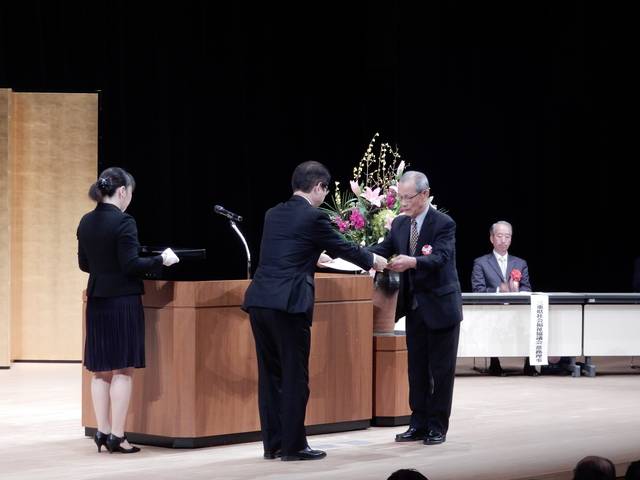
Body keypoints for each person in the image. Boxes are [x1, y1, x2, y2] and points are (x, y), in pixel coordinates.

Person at [242, 161, 387, 461]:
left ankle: (274, 445)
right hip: (289, 305)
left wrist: (311, 256)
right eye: (326, 189)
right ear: (319, 187)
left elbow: (286, 250)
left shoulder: (273, 213)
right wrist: (374, 260)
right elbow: (344, 248)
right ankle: (294, 447)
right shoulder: (314, 216)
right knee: (295, 376)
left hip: (260, 302)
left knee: (271, 378)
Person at [77, 167, 179, 454]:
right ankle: (118, 437)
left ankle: (102, 431)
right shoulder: (124, 222)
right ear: (122, 191)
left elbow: (84, 264)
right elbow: (131, 265)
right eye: (130, 194)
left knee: (100, 370)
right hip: (122, 301)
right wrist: (162, 259)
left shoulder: (86, 221)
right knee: (123, 368)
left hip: (97, 300)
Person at [369, 171, 462, 446]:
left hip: (441, 308)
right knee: (417, 369)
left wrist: (412, 263)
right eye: (400, 197)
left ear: (424, 194)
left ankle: (437, 427)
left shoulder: (443, 223)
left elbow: (441, 258)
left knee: (441, 371)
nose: (403, 203)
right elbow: (383, 248)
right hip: (414, 308)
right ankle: (418, 423)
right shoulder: (399, 224)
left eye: (407, 198)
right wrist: (356, 256)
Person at [470, 221, 535, 376]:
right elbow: (477, 290)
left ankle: (530, 364)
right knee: (494, 321)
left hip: (517, 312)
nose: (504, 240)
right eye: (500, 236)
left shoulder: (520, 263)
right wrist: (499, 289)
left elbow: (528, 289)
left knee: (532, 319)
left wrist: (517, 289)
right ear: (492, 238)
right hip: (493, 311)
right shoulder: (480, 263)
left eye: (507, 236)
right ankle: (494, 362)